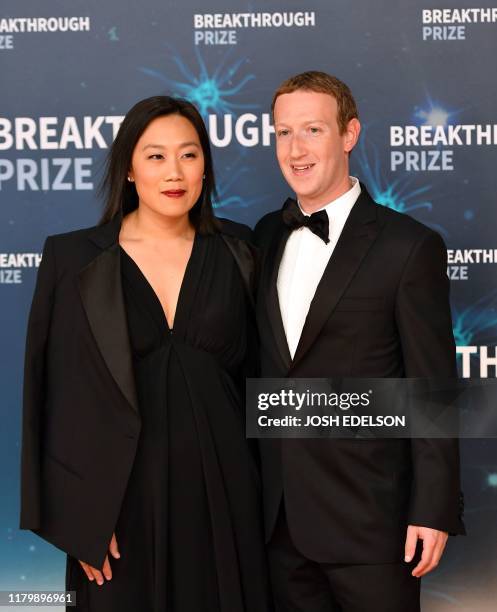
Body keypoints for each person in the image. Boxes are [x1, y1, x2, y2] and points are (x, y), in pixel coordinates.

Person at [20, 96, 272, 612]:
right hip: (116, 506)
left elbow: (265, 381)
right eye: (155, 156)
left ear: (206, 165)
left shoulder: (242, 250)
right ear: (129, 169)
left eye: (189, 155)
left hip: (226, 498)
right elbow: (49, 397)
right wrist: (76, 517)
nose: (174, 172)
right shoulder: (73, 258)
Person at [254, 71, 465, 612]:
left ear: (349, 135)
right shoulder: (263, 236)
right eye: (282, 133)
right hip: (277, 526)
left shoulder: (408, 247)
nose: (295, 149)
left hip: (375, 524)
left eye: (312, 130)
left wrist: (434, 507)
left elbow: (432, 389)